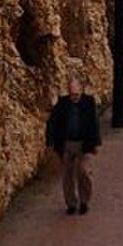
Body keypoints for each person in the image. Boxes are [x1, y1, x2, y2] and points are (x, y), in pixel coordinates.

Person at [45, 76, 102, 215]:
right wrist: (50, 143)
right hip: (67, 143)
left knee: (83, 171)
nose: (74, 97)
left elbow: (94, 123)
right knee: (67, 175)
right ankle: (71, 203)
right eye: (71, 94)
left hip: (84, 143)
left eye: (76, 94)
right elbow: (52, 123)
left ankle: (84, 201)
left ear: (81, 90)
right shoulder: (62, 103)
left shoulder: (89, 102)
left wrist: (95, 143)